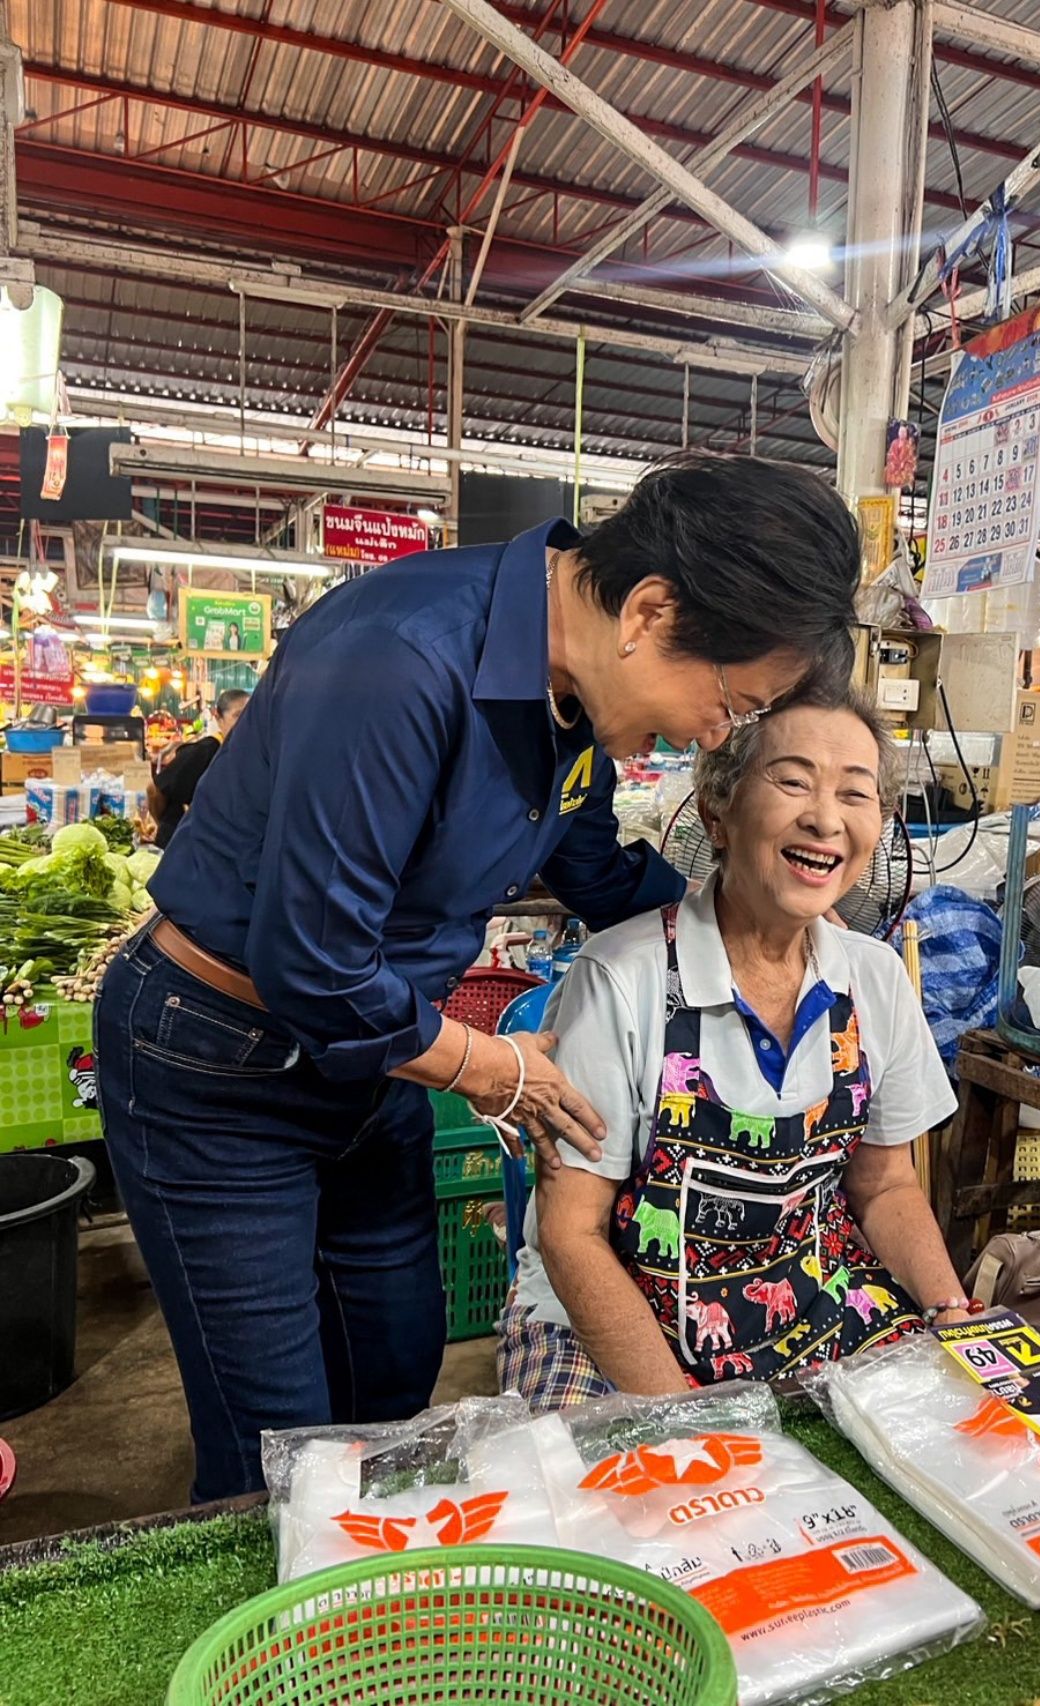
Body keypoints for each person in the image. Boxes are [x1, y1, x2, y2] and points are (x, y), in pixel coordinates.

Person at [94, 452, 862, 1501]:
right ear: (646, 609)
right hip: (222, 1056)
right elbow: (310, 955)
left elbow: (591, 866)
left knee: (394, 1368)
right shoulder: (398, 656)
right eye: (730, 701)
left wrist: (755, 931)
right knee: (271, 1430)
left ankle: (365, 1590)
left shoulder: (569, 699)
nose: (711, 734)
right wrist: (485, 1065)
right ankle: (273, 1638)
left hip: (377, 1061)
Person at [499, 683, 966, 1409]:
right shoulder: (621, 980)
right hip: (609, 1317)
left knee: (945, 1433)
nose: (824, 820)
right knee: (628, 1504)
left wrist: (950, 1314)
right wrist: (690, 1424)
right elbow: (571, 1236)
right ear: (717, 810)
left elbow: (886, 1186)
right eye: (792, 781)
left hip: (809, 1292)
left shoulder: (873, 980)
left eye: (855, 794)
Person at [147, 688, 250, 850]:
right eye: (237, 715)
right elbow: (154, 790)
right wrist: (164, 823)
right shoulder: (204, 751)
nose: (245, 722)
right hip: (180, 847)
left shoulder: (245, 755)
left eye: (249, 716)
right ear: (218, 718)